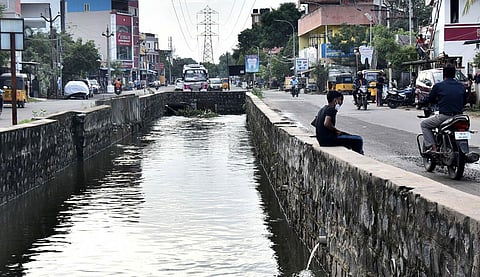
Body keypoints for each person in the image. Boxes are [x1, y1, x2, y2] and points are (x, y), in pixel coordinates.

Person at [419, 64, 465, 153]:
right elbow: (464, 100)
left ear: (444, 74)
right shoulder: (461, 86)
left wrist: (420, 103)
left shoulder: (439, 86)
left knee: (424, 124)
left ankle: (433, 148)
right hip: (459, 117)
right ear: (454, 74)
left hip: (445, 116)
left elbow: (429, 99)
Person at [315, 90, 364, 154]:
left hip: (321, 140)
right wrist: (336, 131)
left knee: (348, 136)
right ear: (335, 100)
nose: (341, 103)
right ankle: (359, 157)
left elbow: (314, 122)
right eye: (340, 100)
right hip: (328, 140)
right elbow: (327, 123)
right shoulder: (332, 109)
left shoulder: (323, 109)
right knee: (358, 139)